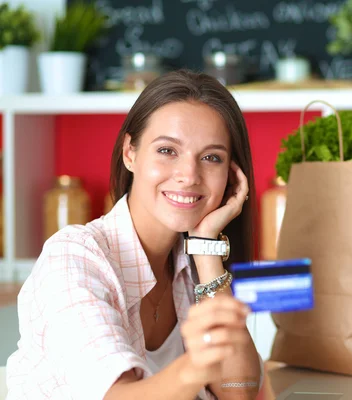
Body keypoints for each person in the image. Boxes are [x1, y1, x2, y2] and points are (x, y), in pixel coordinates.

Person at [6, 70, 264, 400]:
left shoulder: (190, 263)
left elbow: (236, 393)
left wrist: (208, 248)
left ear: (230, 176)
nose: (189, 175)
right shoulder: (73, 258)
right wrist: (195, 366)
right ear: (131, 152)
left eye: (211, 157)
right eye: (168, 150)